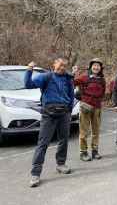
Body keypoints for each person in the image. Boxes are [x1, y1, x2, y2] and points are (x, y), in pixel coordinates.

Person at [24, 58, 74, 188]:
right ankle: (35, 173)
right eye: (60, 65)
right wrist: (29, 70)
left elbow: (70, 95)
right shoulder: (46, 76)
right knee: (43, 143)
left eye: (64, 66)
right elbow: (28, 84)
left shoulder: (68, 78)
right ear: (54, 65)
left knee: (63, 140)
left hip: (64, 114)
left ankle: (61, 164)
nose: (62, 67)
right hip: (48, 115)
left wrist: (69, 110)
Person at [72, 58, 106, 161]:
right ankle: (83, 152)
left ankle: (95, 151)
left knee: (96, 131)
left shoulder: (102, 80)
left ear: (100, 68)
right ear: (91, 67)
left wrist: (100, 103)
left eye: (98, 66)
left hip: (97, 108)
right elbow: (72, 83)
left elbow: (103, 93)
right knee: (84, 131)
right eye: (94, 65)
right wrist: (73, 73)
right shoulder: (84, 78)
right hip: (85, 107)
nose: (96, 67)